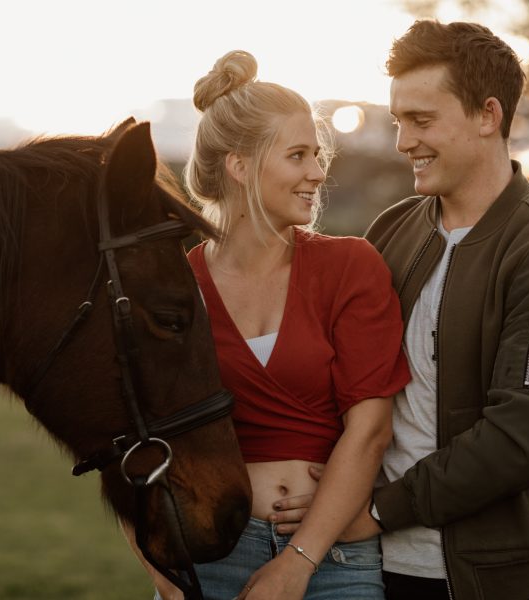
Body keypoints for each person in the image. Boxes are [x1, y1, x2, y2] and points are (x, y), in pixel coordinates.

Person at [272, 20, 529, 600]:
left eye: (422, 121)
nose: (403, 141)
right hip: (368, 568)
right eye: (399, 121)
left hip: (486, 579)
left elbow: (520, 440)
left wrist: (375, 510)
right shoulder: (394, 230)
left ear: (487, 116)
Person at [146, 50, 410, 600]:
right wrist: (163, 578)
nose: (317, 172)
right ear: (240, 166)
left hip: (332, 557)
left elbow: (370, 431)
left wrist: (298, 562)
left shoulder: (350, 267)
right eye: (298, 155)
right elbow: (131, 439)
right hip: (207, 556)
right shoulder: (175, 289)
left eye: (318, 154)